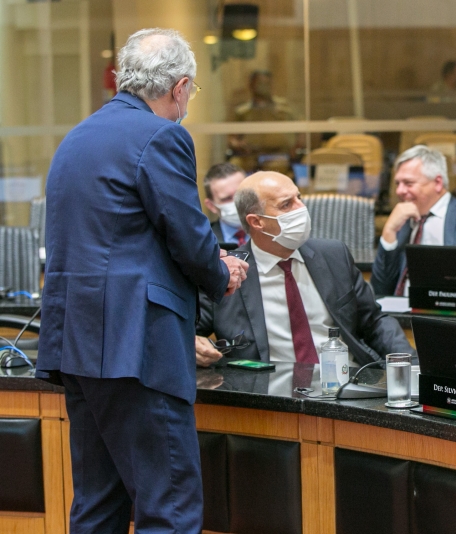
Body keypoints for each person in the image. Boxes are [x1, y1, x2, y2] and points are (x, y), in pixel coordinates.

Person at [36, 28, 249, 533]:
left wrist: (206, 258)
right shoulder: (163, 135)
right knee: (168, 510)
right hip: (137, 349)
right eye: (191, 92)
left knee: (97, 506)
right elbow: (189, 237)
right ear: (179, 88)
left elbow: (121, 236)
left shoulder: (78, 136)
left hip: (79, 348)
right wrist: (222, 270)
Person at [195, 171, 413, 367]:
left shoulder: (333, 255)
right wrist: (193, 343)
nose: (302, 208)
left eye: (299, 197)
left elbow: (374, 321)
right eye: (286, 205)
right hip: (271, 394)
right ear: (257, 222)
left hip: (346, 381)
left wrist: (412, 365)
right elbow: (190, 334)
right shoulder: (225, 272)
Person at [371, 145, 456, 297]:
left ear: (437, 182)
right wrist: (389, 232)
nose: (399, 191)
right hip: (403, 313)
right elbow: (381, 290)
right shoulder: (402, 221)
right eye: (397, 183)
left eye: (408, 183)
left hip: (455, 314)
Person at [228, 70, 301, 173]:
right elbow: (232, 138)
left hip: (278, 155)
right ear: (251, 85)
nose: (263, 87)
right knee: (233, 168)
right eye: (260, 83)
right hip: (249, 156)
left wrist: (295, 149)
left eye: (266, 83)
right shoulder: (242, 112)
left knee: (274, 171)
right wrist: (239, 145)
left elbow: (301, 131)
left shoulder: (285, 108)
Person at [203, 162, 249, 247]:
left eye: (241, 194)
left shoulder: (273, 234)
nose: (237, 202)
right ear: (211, 206)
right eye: (227, 198)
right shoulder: (203, 242)